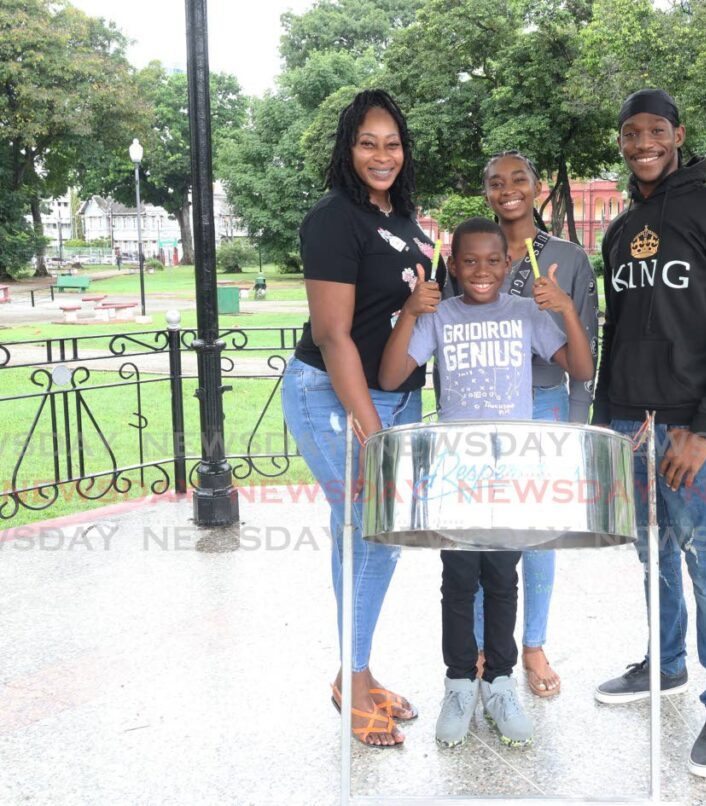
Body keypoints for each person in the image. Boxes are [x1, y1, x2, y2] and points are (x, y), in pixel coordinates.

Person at [591, 89, 706, 778]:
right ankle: (665, 667)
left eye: (655, 131)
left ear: (678, 135)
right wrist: (603, 430)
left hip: (691, 429)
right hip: (629, 427)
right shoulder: (615, 231)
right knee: (651, 558)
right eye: (631, 133)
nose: (642, 144)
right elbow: (618, 334)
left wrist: (703, 427)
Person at [379, 217, 594, 748]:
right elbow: (389, 376)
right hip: (457, 472)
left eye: (492, 261)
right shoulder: (440, 315)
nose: (481, 270)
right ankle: (458, 682)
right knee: (458, 579)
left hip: (511, 472)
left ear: (507, 265)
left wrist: (565, 308)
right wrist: (410, 312)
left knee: (502, 578)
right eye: (468, 261)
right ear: (453, 266)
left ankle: (499, 683)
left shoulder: (526, 313)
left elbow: (582, 369)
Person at [280, 89, 442, 748]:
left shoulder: (404, 220)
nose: (383, 155)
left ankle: (360, 671)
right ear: (349, 149)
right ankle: (354, 678)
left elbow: (408, 316)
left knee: (371, 533)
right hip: (335, 400)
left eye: (393, 143)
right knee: (369, 528)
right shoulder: (334, 218)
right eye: (369, 142)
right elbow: (334, 335)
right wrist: (371, 432)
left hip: (396, 399)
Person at [442, 151, 599, 698]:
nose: (507, 189)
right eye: (495, 182)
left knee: (536, 537)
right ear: (486, 192)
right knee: (480, 532)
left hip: (547, 403)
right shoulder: (472, 250)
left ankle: (532, 642)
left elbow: (586, 345)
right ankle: (487, 644)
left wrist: (576, 430)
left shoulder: (568, 257)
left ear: (537, 189)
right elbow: (447, 336)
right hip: (479, 413)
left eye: (518, 180)